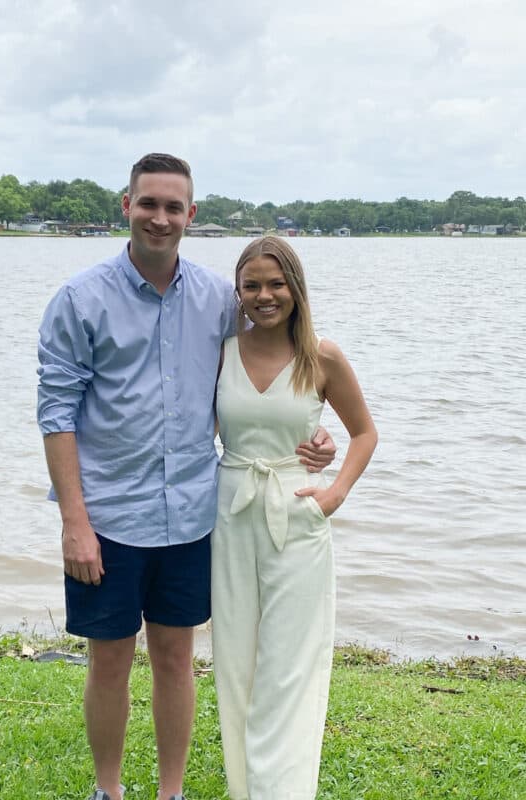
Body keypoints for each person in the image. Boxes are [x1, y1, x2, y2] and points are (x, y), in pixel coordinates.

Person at [36, 154, 336, 800]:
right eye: (149, 203)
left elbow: (274, 364)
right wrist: (73, 523)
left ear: (191, 216)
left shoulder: (218, 302)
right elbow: (56, 414)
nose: (161, 217)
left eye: (175, 207)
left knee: (176, 660)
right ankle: (108, 790)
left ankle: (171, 793)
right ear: (127, 205)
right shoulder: (79, 300)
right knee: (109, 662)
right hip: (107, 521)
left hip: (192, 520)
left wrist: (311, 431)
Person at [211, 235, 378, 800]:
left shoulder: (321, 356)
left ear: (296, 288)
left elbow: (364, 432)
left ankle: (280, 790)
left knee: (290, 664)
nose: (264, 295)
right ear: (237, 291)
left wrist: (336, 492)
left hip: (297, 516)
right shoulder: (221, 350)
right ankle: (246, 787)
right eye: (252, 285)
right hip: (230, 514)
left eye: (276, 283)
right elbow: (193, 432)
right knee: (236, 660)